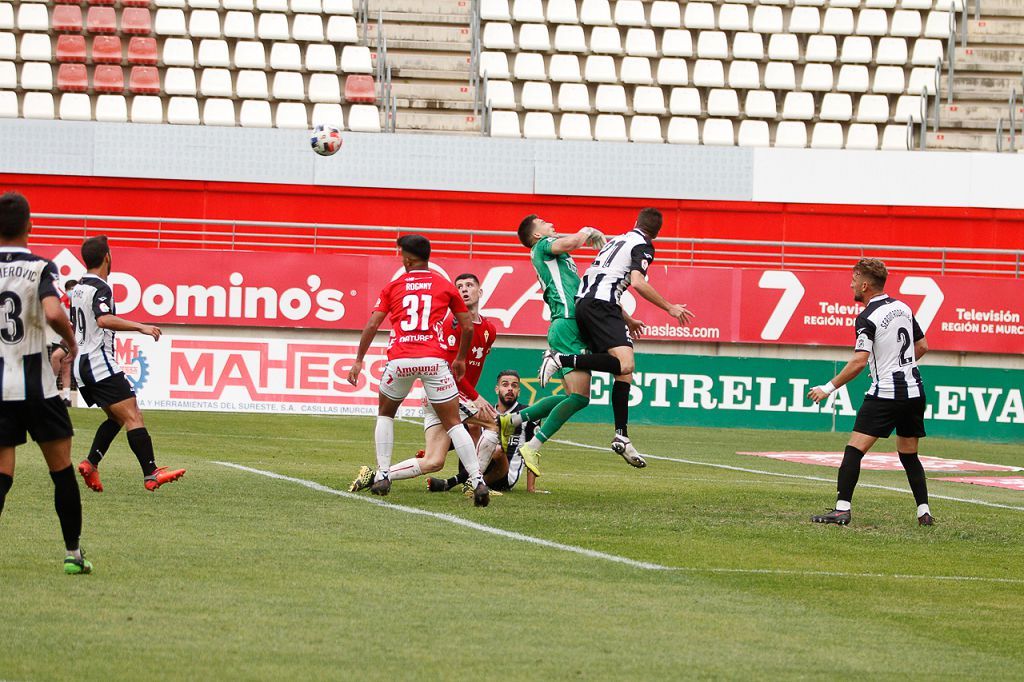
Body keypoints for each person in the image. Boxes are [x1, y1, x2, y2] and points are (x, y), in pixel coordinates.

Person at [539, 208, 694, 465]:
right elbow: (638, 281)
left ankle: (621, 435)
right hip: (602, 305)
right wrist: (670, 307)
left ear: (636, 223)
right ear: (656, 233)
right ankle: (561, 359)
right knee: (625, 364)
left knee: (623, 371)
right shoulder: (643, 246)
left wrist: (628, 319)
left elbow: (604, 278)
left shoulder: (619, 240)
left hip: (588, 303)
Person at [346, 235, 490, 507]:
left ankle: (383, 474)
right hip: (434, 360)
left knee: (386, 414)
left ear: (408, 259)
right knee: (453, 423)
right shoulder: (444, 285)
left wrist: (358, 360)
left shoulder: (394, 286)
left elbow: (372, 324)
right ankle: (477, 480)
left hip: (400, 359)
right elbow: (468, 327)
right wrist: (460, 359)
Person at [501, 214, 642, 479]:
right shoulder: (542, 248)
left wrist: (628, 318)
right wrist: (588, 231)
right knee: (584, 393)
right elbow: (573, 241)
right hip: (566, 323)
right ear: (536, 235)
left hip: (577, 325)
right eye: (543, 223)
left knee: (577, 398)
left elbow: (591, 293)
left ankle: (515, 421)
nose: (549, 223)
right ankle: (532, 442)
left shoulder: (562, 260)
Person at [0, 191, 91, 574]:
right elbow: (53, 312)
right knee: (61, 471)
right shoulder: (40, 267)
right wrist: (71, 341)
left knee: (2, 475)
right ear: (30, 225)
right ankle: (73, 554)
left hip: (0, 390)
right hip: (37, 387)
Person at [808, 258, 934, 527]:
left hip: (886, 394)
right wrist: (897, 365)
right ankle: (924, 512)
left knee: (854, 450)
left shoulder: (867, 317)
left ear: (865, 284)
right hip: (914, 392)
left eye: (854, 279)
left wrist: (827, 388)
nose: (851, 283)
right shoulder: (903, 307)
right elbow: (921, 346)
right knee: (909, 454)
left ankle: (842, 510)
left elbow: (858, 361)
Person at [71, 236, 185, 493]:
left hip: (81, 363)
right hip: (98, 362)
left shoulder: (77, 287)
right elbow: (102, 319)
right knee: (133, 415)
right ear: (107, 257)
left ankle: (91, 463)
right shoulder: (101, 288)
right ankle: (151, 472)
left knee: (116, 416)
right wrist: (140, 326)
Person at [428, 369, 542, 494]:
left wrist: (531, 488)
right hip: (481, 466)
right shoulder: (485, 412)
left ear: (518, 392)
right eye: (505, 385)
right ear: (497, 389)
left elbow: (533, 450)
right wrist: (431, 453)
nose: (510, 389)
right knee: (471, 428)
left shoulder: (527, 414)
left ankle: (452, 482)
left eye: (514, 386)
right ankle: (472, 483)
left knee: (497, 450)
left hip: (505, 476)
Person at [49, 278, 76, 406]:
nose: (72, 292)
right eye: (70, 290)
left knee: (55, 357)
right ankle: (67, 398)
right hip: (58, 338)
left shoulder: (79, 304)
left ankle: (51, 388)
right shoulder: (62, 303)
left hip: (70, 339)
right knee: (66, 366)